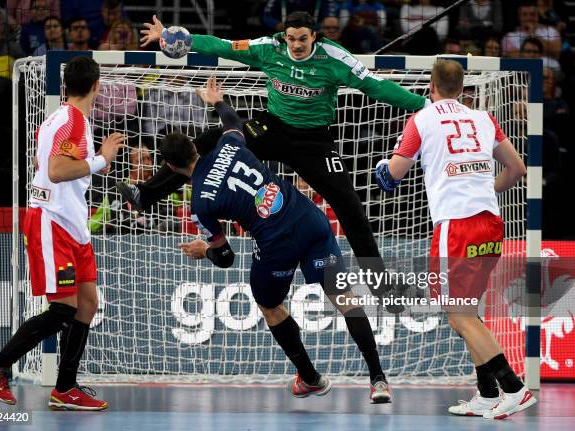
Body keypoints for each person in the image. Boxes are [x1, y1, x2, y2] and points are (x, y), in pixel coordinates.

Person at [120, 11, 430, 305]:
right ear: (284, 36)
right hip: (273, 128)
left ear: (315, 37)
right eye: (292, 38)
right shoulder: (269, 48)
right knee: (206, 142)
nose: (296, 45)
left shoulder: (335, 58)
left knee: (350, 208)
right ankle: (146, 194)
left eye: (303, 39)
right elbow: (223, 46)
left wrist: (422, 104)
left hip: (314, 143)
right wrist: (181, 39)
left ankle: (380, 283)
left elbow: (376, 87)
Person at [173, 76, 393, 402]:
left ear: (170, 166)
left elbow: (226, 258)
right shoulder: (229, 144)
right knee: (345, 298)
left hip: (276, 244)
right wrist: (217, 101)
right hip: (309, 220)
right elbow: (234, 121)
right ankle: (378, 380)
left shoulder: (200, 204)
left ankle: (310, 376)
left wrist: (204, 250)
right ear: (194, 147)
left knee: (269, 304)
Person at [374, 60, 535, 419]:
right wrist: (482, 189)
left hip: (456, 227)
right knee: (467, 312)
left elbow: (393, 176)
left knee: (460, 314)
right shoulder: (483, 119)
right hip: (491, 222)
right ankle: (485, 392)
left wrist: (380, 169)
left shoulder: (422, 119)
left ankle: (514, 388)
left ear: (430, 86)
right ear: (463, 89)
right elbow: (518, 169)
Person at [0, 56, 125, 410]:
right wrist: (102, 159)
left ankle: (66, 388)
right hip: (52, 223)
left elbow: (41, 164)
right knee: (62, 310)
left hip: (73, 225)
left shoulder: (59, 120)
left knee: (87, 304)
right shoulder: (72, 120)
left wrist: (82, 164)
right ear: (96, 87)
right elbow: (55, 172)